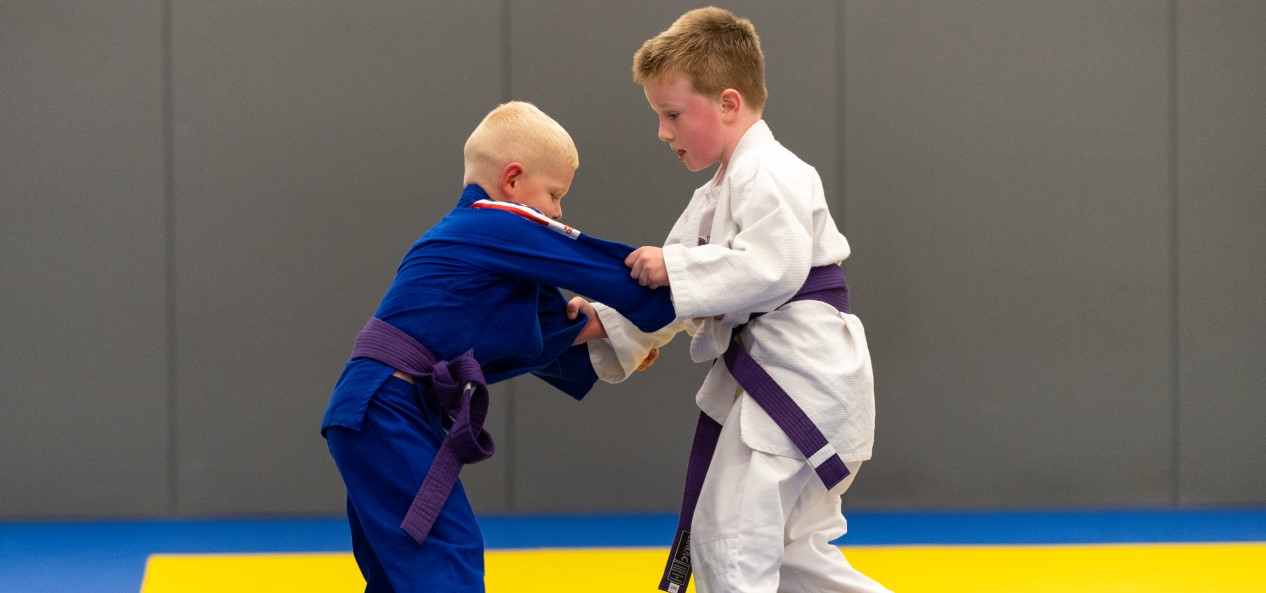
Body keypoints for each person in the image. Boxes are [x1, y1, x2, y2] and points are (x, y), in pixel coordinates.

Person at [586, 7, 890, 593]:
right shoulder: (714, 195)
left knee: (730, 541)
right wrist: (599, 323)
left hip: (799, 381)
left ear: (728, 103)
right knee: (796, 560)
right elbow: (665, 295)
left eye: (672, 114)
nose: (663, 132)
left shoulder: (773, 171)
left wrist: (673, 268)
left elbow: (770, 268)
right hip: (791, 387)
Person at [321, 101, 673, 593]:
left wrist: (606, 331)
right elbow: (613, 274)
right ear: (512, 180)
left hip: (377, 408)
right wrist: (701, 287)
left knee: (399, 576)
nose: (557, 211)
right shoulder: (497, 225)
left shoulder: (471, 238)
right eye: (554, 193)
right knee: (448, 562)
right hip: (385, 408)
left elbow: (532, 330)